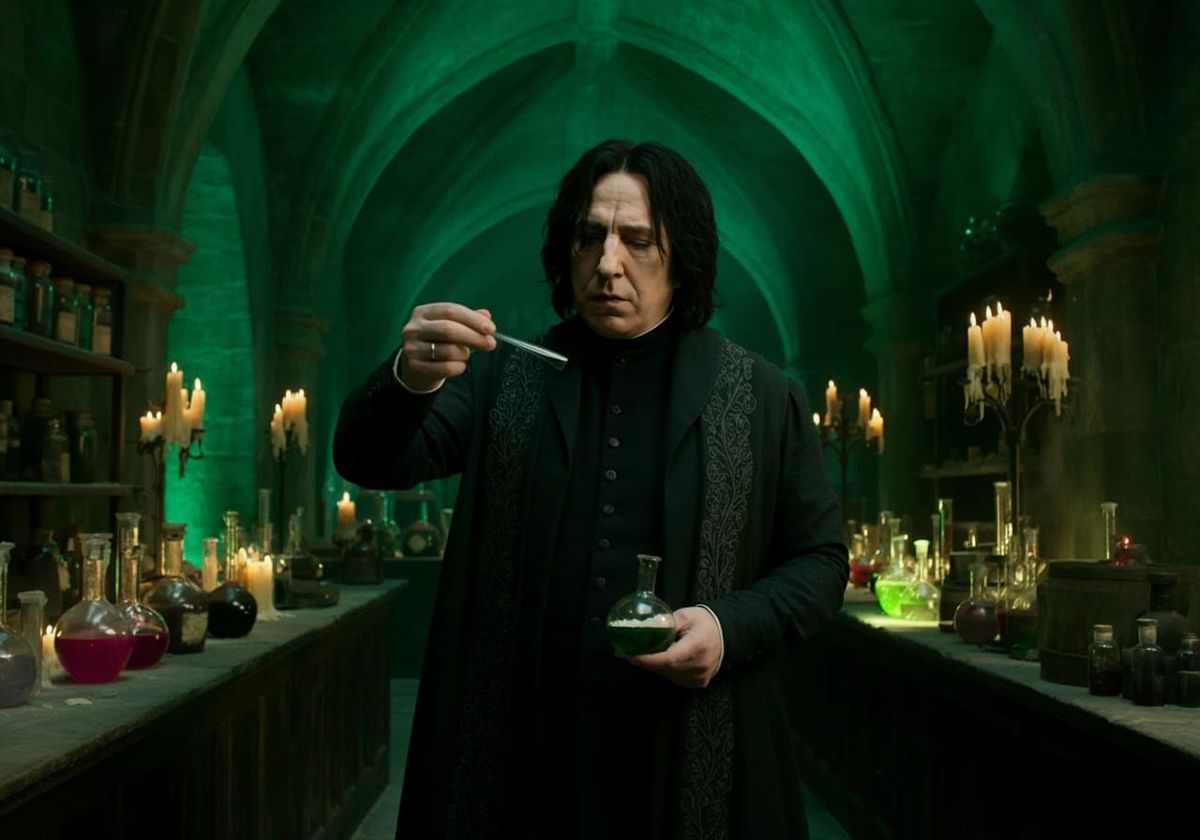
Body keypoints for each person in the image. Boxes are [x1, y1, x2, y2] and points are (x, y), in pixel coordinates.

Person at [333, 139, 848, 839]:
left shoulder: (760, 395)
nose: (608, 264)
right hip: (521, 752)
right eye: (589, 238)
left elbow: (820, 562)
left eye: (637, 241)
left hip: (686, 748)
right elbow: (369, 460)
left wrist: (730, 628)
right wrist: (410, 376)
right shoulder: (501, 378)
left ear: (682, 258)